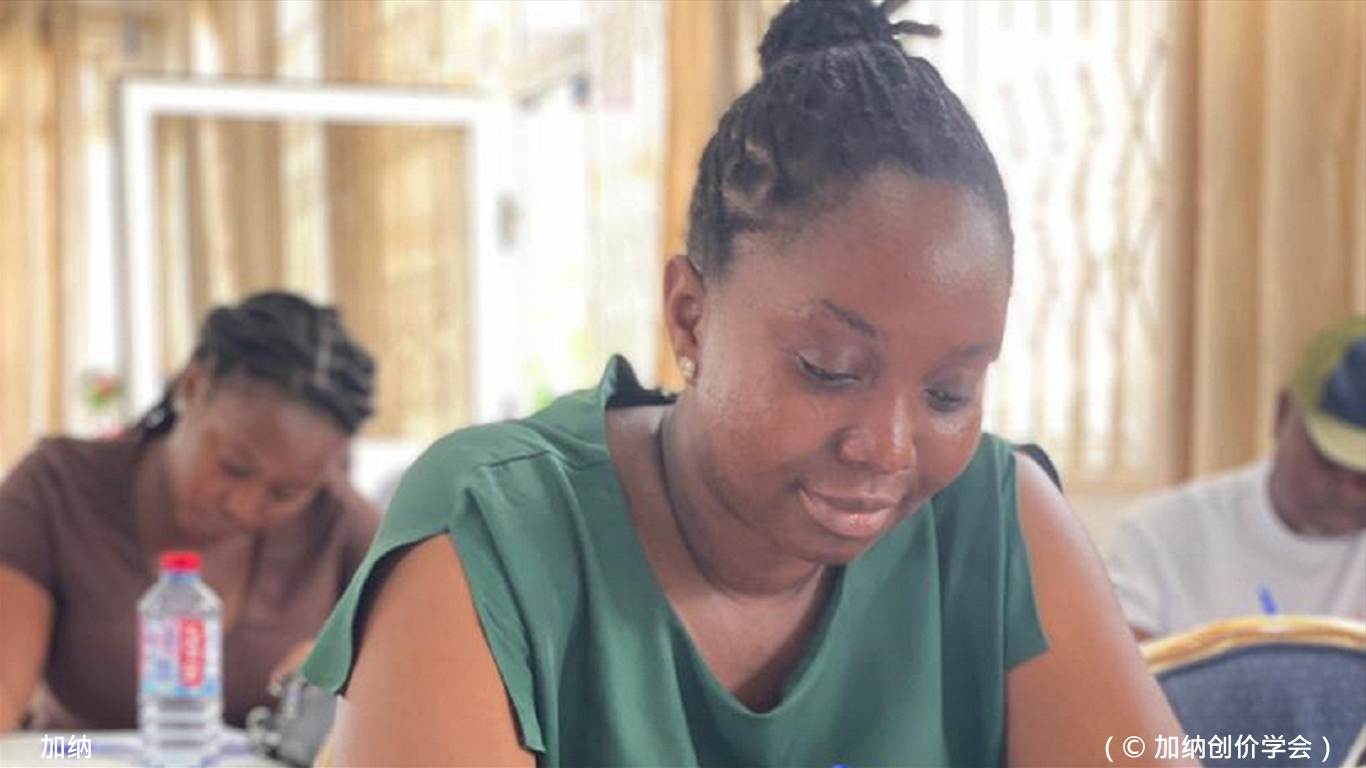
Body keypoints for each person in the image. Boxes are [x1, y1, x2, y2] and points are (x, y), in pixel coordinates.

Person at [303, 1, 1186, 765]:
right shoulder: (494, 532)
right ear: (690, 316)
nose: (887, 447)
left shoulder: (997, 523)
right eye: (828, 370)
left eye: (949, 393)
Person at [0, 291, 380, 731]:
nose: (242, 507)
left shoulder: (339, 523)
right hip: (72, 753)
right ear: (192, 386)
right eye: (233, 467)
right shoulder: (57, 488)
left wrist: (350, 684)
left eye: (285, 493)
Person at [1108, 317, 1366, 641]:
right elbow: (1117, 664)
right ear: (1282, 414)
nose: (1351, 490)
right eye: (1330, 460)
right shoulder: (1159, 537)